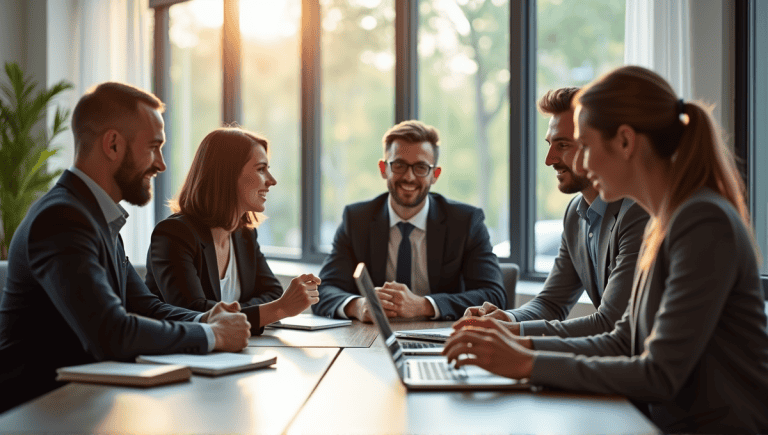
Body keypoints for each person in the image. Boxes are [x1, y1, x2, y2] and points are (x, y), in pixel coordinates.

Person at [444, 66, 768, 433]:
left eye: (584, 146)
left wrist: (526, 362)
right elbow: (622, 340)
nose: (578, 163)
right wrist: (516, 347)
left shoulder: (702, 221)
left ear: (626, 142)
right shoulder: (666, 221)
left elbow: (659, 374)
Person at [0, 83, 250, 414]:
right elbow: (110, 332)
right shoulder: (61, 219)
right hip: (39, 410)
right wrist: (211, 335)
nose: (161, 164)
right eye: (153, 147)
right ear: (113, 144)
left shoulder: (96, 216)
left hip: (83, 400)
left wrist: (207, 317)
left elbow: (145, 306)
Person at [464, 87, 649, 338]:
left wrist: (513, 331)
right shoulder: (575, 213)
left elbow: (611, 323)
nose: (549, 159)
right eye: (550, 144)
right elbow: (551, 303)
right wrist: (506, 318)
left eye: (563, 145)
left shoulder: (638, 213)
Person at [313, 120, 505, 322]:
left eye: (421, 167)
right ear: (383, 168)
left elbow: (494, 296)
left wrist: (424, 305)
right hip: (371, 337)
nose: (409, 177)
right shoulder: (357, 220)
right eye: (399, 165)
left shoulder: (465, 222)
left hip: (442, 341)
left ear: (435, 175)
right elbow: (323, 290)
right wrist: (358, 306)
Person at [144, 128, 320, 332]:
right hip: (182, 356)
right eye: (261, 169)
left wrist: (234, 315)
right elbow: (193, 313)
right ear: (228, 174)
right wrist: (278, 310)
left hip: (234, 351)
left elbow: (271, 292)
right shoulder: (174, 234)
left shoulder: (243, 234)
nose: (271, 180)